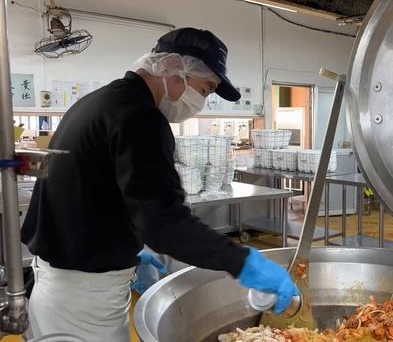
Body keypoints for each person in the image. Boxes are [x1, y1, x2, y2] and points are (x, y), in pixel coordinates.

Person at [21, 27, 298, 341]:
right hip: (84, 302)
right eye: (205, 89)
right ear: (173, 70)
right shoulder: (140, 118)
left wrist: (129, 249)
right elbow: (165, 222)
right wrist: (244, 263)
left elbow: (101, 195)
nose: (201, 102)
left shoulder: (102, 102)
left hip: (56, 286)